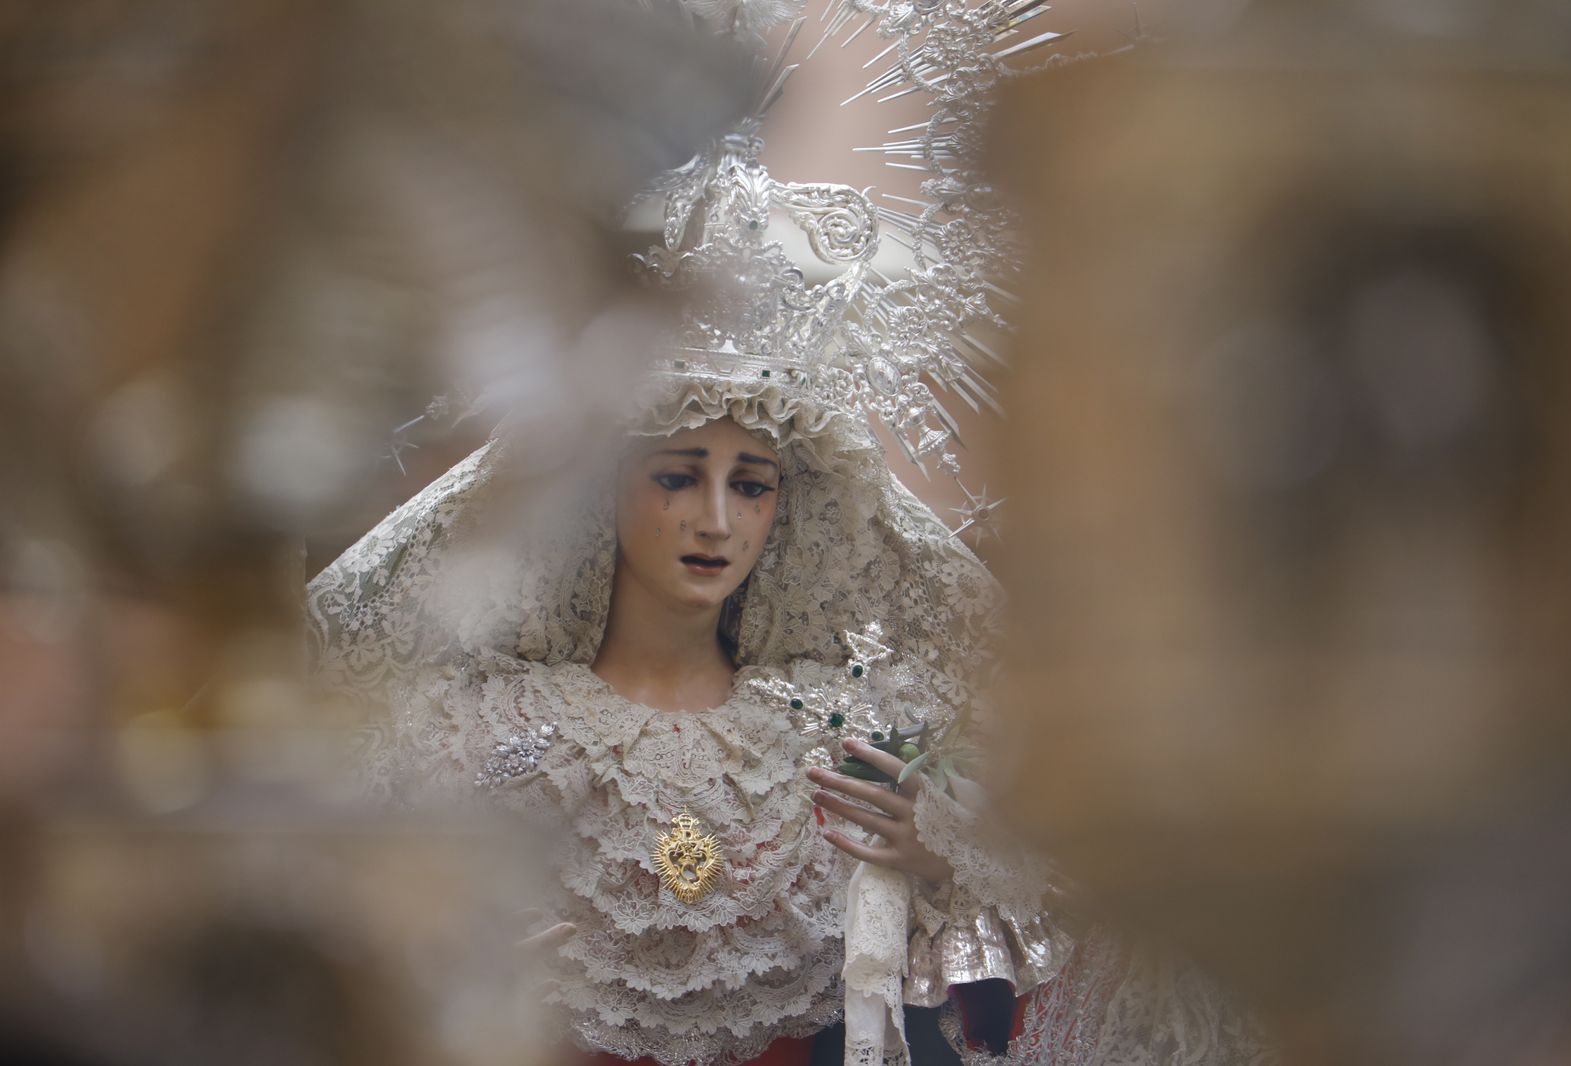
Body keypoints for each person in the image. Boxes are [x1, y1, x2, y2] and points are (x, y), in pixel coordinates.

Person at [307, 367, 1272, 1066]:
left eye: (752, 485)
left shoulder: (842, 726)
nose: (717, 521)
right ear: (607, 490)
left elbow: (1103, 909)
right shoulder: (482, 730)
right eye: (678, 476)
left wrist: (946, 858)